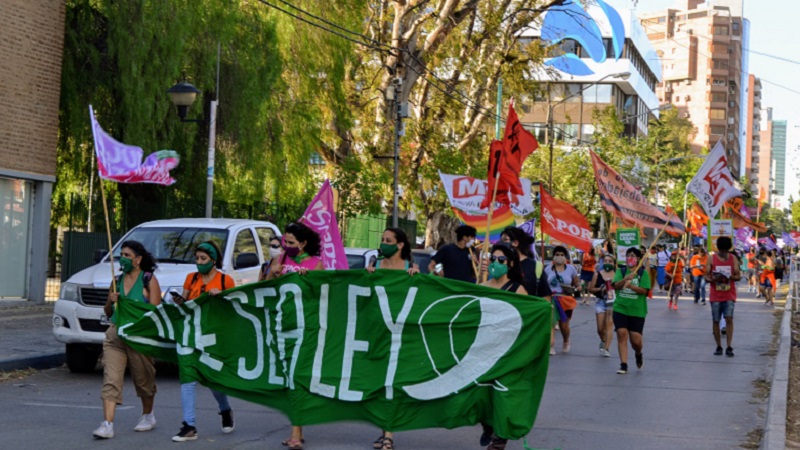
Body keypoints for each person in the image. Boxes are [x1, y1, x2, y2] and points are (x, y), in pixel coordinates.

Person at [93, 241, 162, 439]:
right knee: (111, 379)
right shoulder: (116, 280)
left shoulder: (149, 280)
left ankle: (148, 415)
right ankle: (107, 424)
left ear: (138, 260)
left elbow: (154, 312)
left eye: (127, 255)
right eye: (121, 254)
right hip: (116, 336)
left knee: (143, 379)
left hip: (139, 336)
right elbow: (108, 312)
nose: (122, 258)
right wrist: (110, 300)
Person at [171, 241, 236, 442]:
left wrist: (221, 297)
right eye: (197, 258)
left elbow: (234, 311)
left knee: (212, 380)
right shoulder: (191, 278)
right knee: (188, 378)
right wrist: (180, 302)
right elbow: (185, 304)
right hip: (191, 335)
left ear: (213, 261)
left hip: (213, 337)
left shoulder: (226, 280)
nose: (199, 262)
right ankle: (189, 425)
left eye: (203, 259)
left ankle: (225, 409)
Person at [268, 223, 323, 450]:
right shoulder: (280, 260)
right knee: (288, 379)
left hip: (306, 328)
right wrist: (271, 274)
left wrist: (308, 281)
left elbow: (323, 296)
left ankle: (296, 433)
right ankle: (297, 429)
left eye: (291, 243)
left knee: (296, 378)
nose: (286, 247)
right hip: (282, 326)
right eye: (285, 242)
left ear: (303, 244)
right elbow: (265, 291)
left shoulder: (316, 264)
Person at [367, 228, 418, 450]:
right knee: (379, 384)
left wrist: (418, 278)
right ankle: (384, 431)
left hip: (400, 335)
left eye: (388, 240)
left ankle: (389, 434)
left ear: (400, 245)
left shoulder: (410, 269)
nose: (383, 243)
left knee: (392, 384)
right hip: (375, 334)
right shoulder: (373, 266)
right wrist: (365, 276)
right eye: (382, 240)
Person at [478, 243, 526, 450]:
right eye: (493, 259)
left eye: (501, 260)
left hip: (507, 351)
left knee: (502, 396)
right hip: (484, 350)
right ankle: (487, 426)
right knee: (482, 395)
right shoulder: (482, 286)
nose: (495, 263)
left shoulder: (518, 289)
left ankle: (499, 439)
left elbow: (528, 319)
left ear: (510, 264)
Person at [612, 247, 651, 374]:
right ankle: (623, 364)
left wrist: (632, 286)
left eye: (633, 255)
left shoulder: (642, 273)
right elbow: (615, 285)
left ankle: (638, 353)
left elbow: (644, 291)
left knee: (636, 341)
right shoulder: (621, 270)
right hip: (620, 308)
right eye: (628, 255)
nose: (630, 258)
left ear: (639, 259)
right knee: (621, 333)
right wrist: (625, 279)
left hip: (637, 311)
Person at [705, 237, 741, 357]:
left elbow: (738, 275)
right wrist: (712, 279)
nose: (724, 253)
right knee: (716, 320)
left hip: (729, 293)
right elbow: (706, 275)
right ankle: (719, 346)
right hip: (715, 294)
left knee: (729, 318)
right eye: (722, 251)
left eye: (726, 251)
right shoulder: (711, 258)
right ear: (718, 249)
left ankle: (729, 346)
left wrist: (730, 277)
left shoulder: (733, 258)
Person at [545, 246, 580, 354]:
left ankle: (566, 339)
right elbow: (543, 284)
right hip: (551, 299)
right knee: (551, 322)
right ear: (553, 256)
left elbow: (576, 282)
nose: (559, 257)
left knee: (564, 325)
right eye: (557, 254)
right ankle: (551, 345)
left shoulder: (571, 269)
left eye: (562, 255)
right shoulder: (547, 269)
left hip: (565, 299)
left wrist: (578, 286)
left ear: (565, 257)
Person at [499, 227, 552, 299]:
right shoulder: (500, 263)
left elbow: (546, 298)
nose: (500, 244)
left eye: (505, 240)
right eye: (501, 241)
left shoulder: (535, 267)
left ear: (515, 243)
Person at [588, 253, 617, 357]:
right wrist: (601, 289)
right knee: (600, 328)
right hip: (600, 302)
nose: (607, 263)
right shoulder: (597, 274)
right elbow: (591, 289)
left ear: (614, 263)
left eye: (610, 261)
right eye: (605, 261)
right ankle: (603, 340)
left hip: (613, 302)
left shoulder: (617, 274)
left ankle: (606, 348)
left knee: (609, 325)